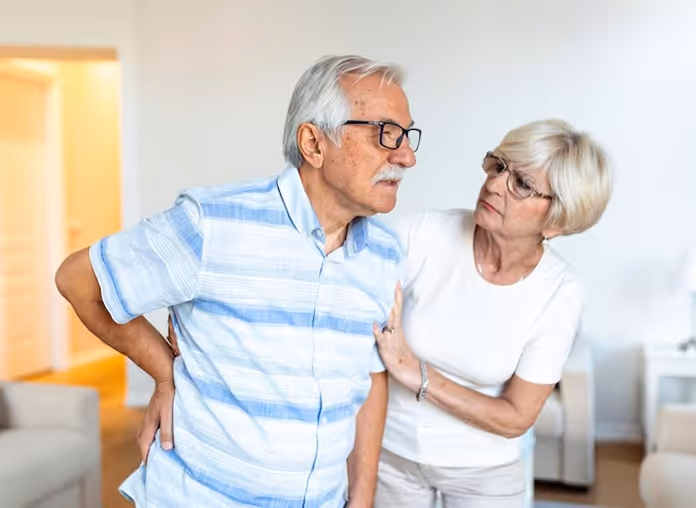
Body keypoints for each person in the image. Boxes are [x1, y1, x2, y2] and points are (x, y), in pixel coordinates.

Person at [55, 55, 420, 508]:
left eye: (407, 137)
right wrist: (166, 374)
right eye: (386, 133)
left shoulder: (384, 253)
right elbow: (78, 281)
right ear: (313, 142)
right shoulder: (213, 224)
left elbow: (368, 376)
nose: (406, 156)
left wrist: (362, 498)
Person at [371, 119, 612, 508]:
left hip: (485, 474)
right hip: (391, 456)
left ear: (558, 221)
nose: (494, 184)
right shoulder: (422, 233)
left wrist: (414, 372)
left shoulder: (561, 291)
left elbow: (516, 416)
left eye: (522, 184)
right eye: (499, 166)